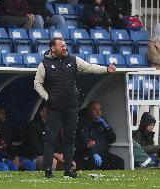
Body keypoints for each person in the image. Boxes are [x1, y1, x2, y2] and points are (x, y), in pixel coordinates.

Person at [34, 37, 116, 178]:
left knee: (69, 138)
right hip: (54, 107)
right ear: (53, 48)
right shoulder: (44, 64)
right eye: (61, 46)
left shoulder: (73, 60)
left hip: (71, 106)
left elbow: (89, 67)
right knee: (51, 138)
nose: (64, 48)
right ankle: (48, 169)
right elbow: (37, 83)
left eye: (65, 45)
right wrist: (47, 97)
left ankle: (68, 169)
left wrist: (106, 69)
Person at [21, 103, 76, 171]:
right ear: (41, 112)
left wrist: (61, 155)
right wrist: (55, 154)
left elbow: (60, 146)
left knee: (72, 164)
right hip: (35, 157)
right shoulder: (33, 127)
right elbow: (37, 150)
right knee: (52, 162)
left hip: (53, 156)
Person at [75, 101, 124, 170]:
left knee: (119, 162)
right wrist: (94, 153)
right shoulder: (83, 124)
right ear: (89, 112)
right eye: (95, 110)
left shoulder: (102, 122)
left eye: (100, 109)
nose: (98, 112)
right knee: (94, 163)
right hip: (89, 154)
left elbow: (112, 139)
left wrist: (106, 127)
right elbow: (86, 142)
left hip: (103, 153)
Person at [0, 106, 36, 171]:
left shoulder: (4, 128)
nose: (4, 116)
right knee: (13, 166)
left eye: (4, 114)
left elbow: (9, 144)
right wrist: (9, 158)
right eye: (1, 113)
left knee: (31, 165)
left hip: (9, 156)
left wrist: (15, 156)